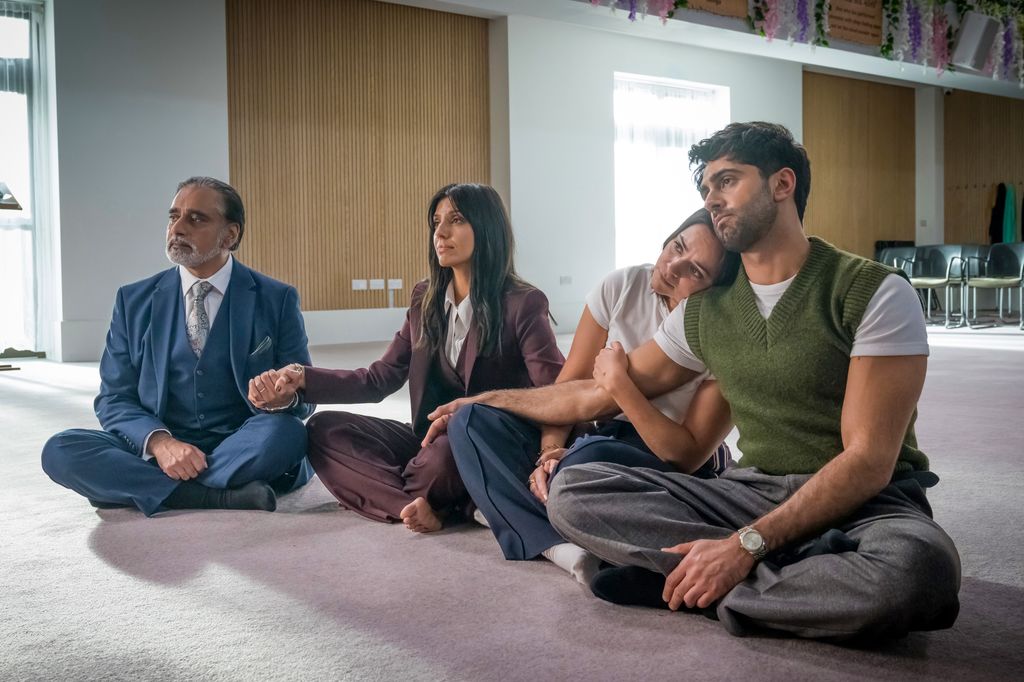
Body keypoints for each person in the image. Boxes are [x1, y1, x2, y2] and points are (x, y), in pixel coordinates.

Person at [429, 122, 961, 642]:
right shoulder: (703, 313)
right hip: (749, 493)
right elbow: (589, 392)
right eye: (706, 188)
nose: (713, 198)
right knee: (574, 492)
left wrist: (746, 547)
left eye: (728, 180)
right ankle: (771, 577)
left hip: (869, 503)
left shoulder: (874, 292)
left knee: (921, 571)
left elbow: (868, 461)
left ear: (782, 184)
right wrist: (482, 399)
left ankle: (698, 581)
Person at [445, 209, 738, 584]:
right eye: (676, 246)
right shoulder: (622, 285)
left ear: (715, 288)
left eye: (695, 272)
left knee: (582, 462)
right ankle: (557, 545)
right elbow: (569, 386)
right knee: (471, 423)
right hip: (599, 433)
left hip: (662, 450)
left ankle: (515, 511)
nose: (673, 266)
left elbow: (683, 455)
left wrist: (620, 384)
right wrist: (547, 452)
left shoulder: (714, 326)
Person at [252, 183, 563, 533]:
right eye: (436, 222)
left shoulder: (523, 303)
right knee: (324, 431)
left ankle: (420, 492)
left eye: (456, 220)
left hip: (481, 445)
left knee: (443, 457)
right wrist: (303, 379)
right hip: (425, 441)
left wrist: (550, 450)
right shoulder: (424, 298)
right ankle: (420, 505)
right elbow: (379, 378)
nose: (440, 233)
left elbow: (556, 392)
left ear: (487, 228)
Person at [41, 177, 314, 515]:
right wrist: (161, 443)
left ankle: (148, 488)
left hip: (243, 438)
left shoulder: (277, 297)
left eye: (196, 218)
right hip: (163, 443)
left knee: (287, 434)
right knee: (61, 449)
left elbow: (305, 398)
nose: (178, 228)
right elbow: (114, 398)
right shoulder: (133, 300)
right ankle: (217, 496)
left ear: (230, 235)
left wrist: (284, 398)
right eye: (173, 217)